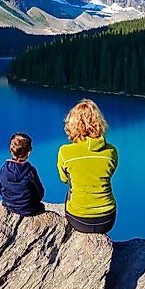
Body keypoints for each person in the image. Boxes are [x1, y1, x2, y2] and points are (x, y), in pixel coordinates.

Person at [57, 99, 118, 234]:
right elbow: (109, 173)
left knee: (70, 191)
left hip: (79, 220)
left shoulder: (65, 152)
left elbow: (64, 179)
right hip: (107, 219)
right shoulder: (111, 151)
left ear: (72, 125)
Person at [0, 132, 45, 216]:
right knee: (41, 207)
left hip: (8, 204)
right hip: (28, 209)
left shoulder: (4, 168)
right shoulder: (30, 171)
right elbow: (40, 192)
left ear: (11, 150)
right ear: (29, 152)